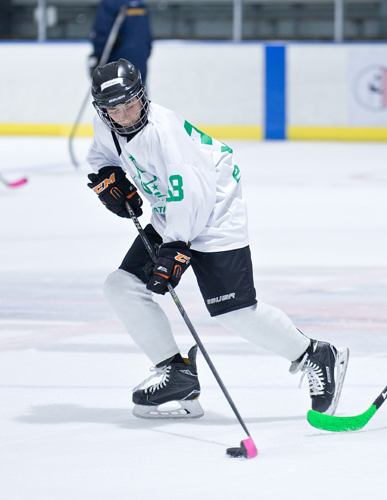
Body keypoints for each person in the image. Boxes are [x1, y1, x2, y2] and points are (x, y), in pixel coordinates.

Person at [85, 59, 349, 419]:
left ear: (142, 95)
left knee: (234, 312)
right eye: (115, 109)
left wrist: (175, 250)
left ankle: (315, 354)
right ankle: (176, 372)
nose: (126, 114)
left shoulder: (166, 136)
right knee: (121, 286)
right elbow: (102, 156)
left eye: (131, 103)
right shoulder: (108, 125)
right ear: (103, 110)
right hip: (172, 212)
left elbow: (193, 196)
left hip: (215, 212)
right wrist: (107, 177)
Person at [88, 0, 152, 82]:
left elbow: (102, 33)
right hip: (140, 57)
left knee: (114, 91)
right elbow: (147, 34)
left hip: (116, 61)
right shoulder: (140, 3)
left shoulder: (109, 3)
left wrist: (98, 57)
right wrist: (145, 52)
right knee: (138, 89)